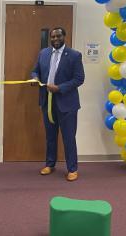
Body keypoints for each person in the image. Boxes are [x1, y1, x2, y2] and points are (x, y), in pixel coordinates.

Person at [31, 27, 85, 181]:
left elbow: (79, 79)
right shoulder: (44, 53)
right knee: (50, 136)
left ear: (64, 36)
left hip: (67, 103)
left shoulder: (74, 55)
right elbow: (35, 71)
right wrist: (34, 78)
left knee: (68, 137)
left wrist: (60, 88)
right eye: (52, 37)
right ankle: (50, 164)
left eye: (58, 36)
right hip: (47, 101)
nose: (55, 39)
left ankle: (72, 169)